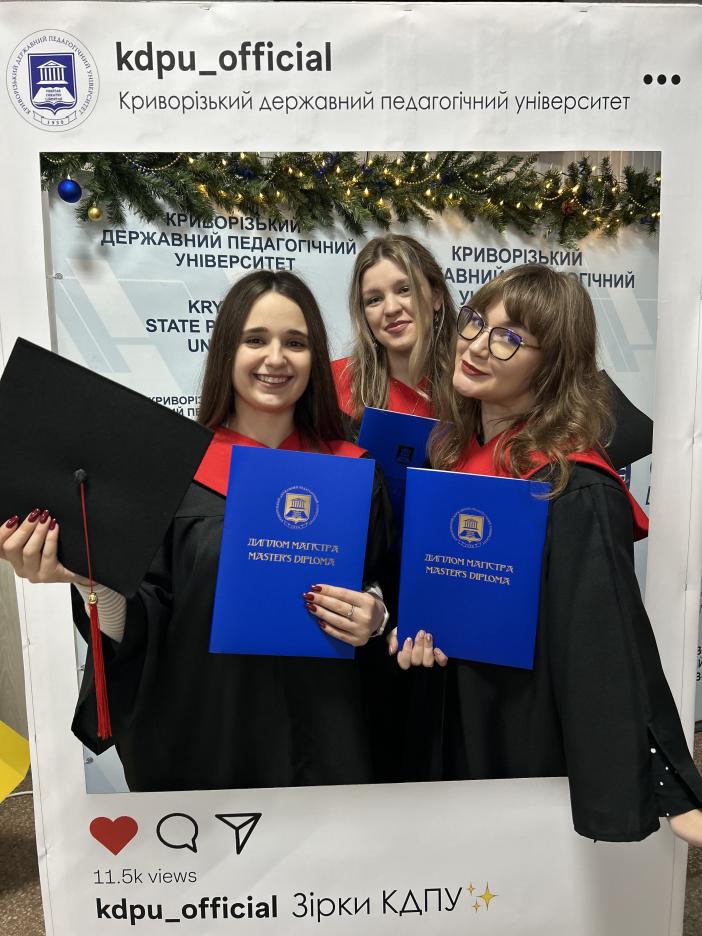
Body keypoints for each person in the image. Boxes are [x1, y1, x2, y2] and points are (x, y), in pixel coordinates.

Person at [0, 271, 394, 792]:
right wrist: (91, 580)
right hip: (206, 742)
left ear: (315, 358)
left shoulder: (355, 471)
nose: (276, 358)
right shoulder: (174, 475)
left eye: (295, 343)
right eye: (256, 340)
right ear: (227, 351)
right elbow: (141, 626)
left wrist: (377, 615)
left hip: (324, 738)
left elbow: (385, 583)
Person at [392, 263, 702, 845]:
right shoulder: (449, 456)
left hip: (518, 732)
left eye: (509, 338)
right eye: (475, 322)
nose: (476, 346)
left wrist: (667, 783)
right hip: (446, 718)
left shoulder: (570, 485)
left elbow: (607, 640)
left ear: (553, 364)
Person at [331, 234, 457, 423]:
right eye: (374, 300)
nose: (391, 309)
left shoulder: (469, 386)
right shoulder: (333, 382)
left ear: (436, 296)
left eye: (404, 290)